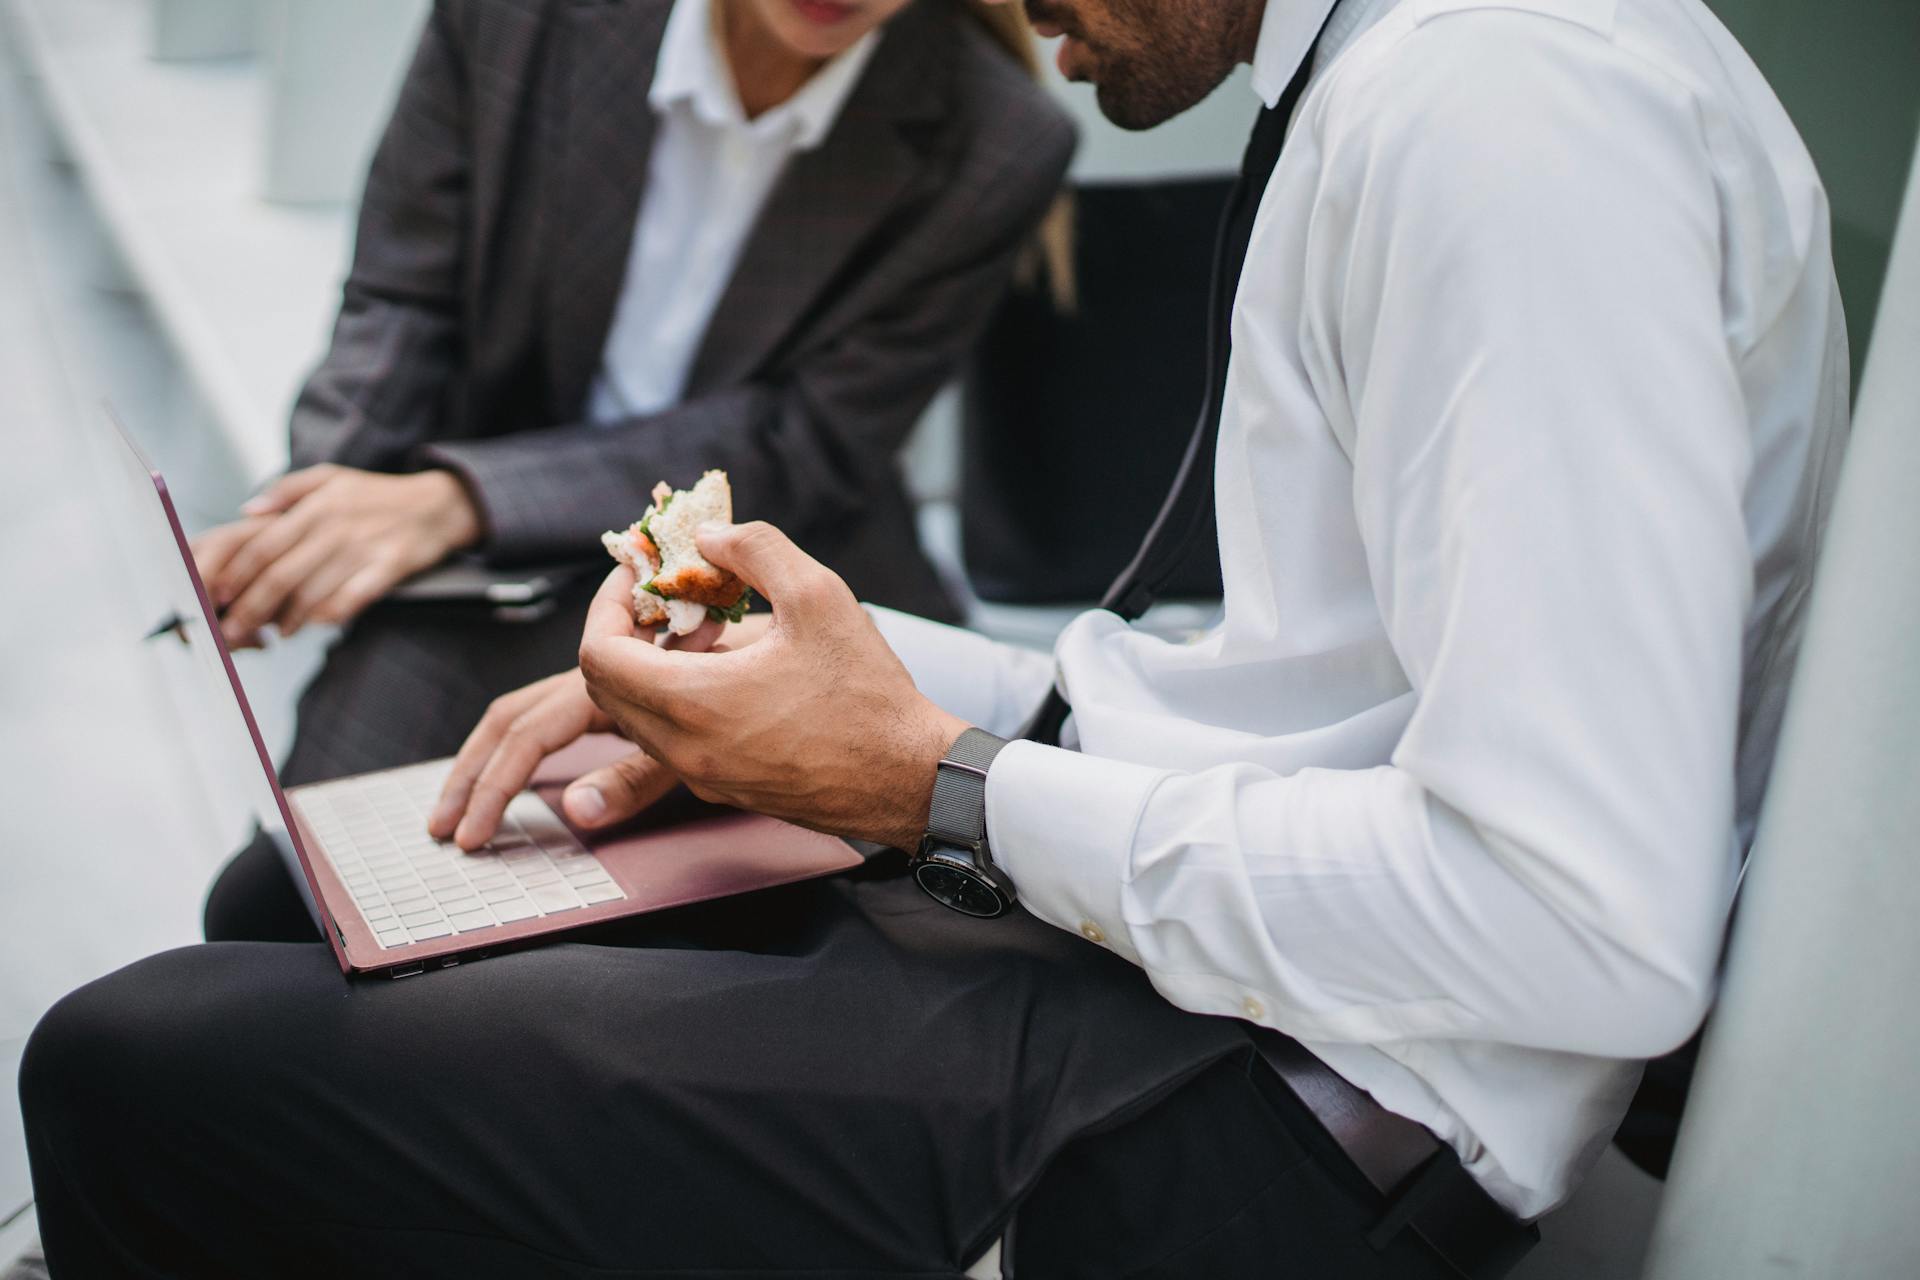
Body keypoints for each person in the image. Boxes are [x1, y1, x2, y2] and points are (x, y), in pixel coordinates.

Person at [20, 0, 1847, 1275]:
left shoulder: (1502, 112)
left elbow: (1578, 929)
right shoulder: (1417, 73)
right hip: (1211, 991)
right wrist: (814, 689)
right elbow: (1310, 706)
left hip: (1266, 1127)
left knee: (127, 1061)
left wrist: (931, 788)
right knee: (288, 906)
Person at [189, 0, 1076, 784]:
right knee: (302, 882)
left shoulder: (1000, 138)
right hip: (500, 561)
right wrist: (316, 509)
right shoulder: (519, 19)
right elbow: (407, 296)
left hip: (768, 575)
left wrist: (462, 501)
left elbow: (807, 443)